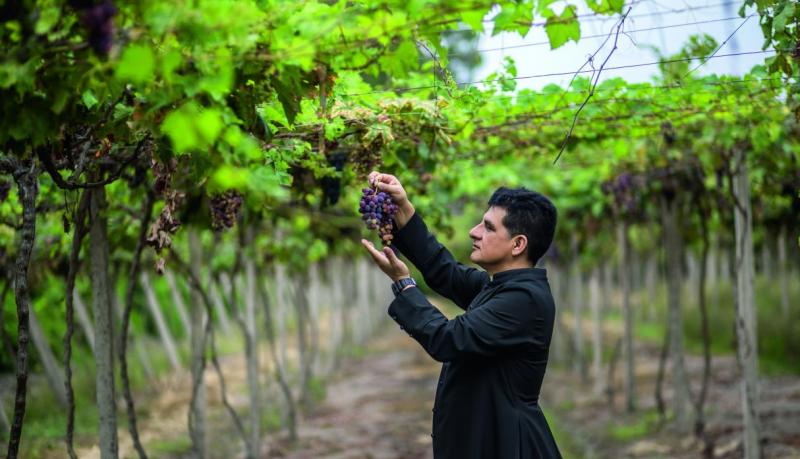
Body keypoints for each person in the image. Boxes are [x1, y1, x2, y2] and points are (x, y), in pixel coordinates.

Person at [361, 171, 562, 459]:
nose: (474, 231)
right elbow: (447, 273)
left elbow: (448, 339)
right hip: (489, 437)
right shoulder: (501, 288)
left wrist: (405, 284)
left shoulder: (523, 300)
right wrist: (405, 212)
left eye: (489, 228)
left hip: (507, 445)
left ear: (518, 245)